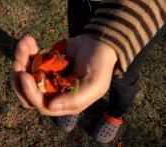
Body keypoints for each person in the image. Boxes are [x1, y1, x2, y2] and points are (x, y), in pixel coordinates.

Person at [11, 0, 166, 143]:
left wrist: (115, 32)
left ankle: (115, 114)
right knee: (79, 49)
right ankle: (71, 96)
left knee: (125, 78)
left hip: (145, 15)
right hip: (82, 3)